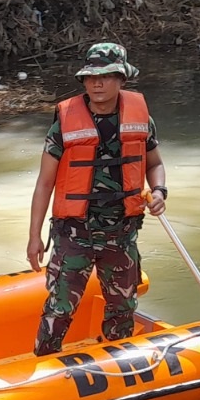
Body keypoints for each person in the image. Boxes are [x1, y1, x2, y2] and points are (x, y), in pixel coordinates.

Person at [26, 42, 168, 356]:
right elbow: (45, 183)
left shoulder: (141, 119)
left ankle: (116, 364)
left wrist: (159, 191)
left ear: (122, 79)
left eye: (105, 77)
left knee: (122, 309)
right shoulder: (63, 124)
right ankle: (44, 361)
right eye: (91, 77)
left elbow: (154, 164)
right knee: (59, 309)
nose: (97, 84)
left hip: (121, 234)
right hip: (74, 234)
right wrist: (35, 237)